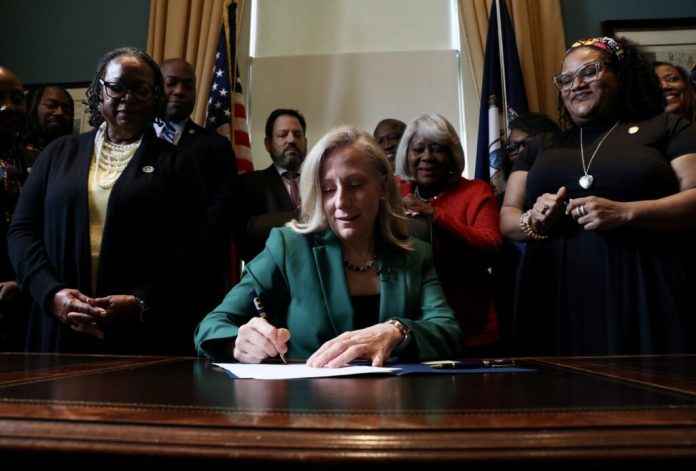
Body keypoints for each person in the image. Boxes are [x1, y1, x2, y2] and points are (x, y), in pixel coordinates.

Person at [194, 125, 463, 366]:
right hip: (310, 400)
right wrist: (238, 343)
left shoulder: (414, 253)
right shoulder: (288, 247)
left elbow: (448, 332)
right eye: (328, 189)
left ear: (382, 186)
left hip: (396, 400)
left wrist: (397, 331)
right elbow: (212, 325)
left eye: (355, 185)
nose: (341, 202)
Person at [500, 37, 696, 356]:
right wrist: (533, 220)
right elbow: (508, 215)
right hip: (554, 288)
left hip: (642, 283)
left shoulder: (667, 128)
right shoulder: (540, 146)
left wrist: (627, 212)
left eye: (589, 71)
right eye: (566, 79)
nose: (576, 84)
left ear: (620, 74)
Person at [7, 47, 207, 355]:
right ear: (99, 93)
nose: (127, 97)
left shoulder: (177, 163)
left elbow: (191, 247)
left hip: (139, 332)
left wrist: (141, 301)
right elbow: (22, 231)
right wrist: (52, 294)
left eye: (140, 89)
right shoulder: (58, 153)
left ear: (155, 97)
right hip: (56, 323)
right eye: (116, 87)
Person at [394, 113, 502, 354]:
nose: (426, 157)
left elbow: (491, 246)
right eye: (418, 149)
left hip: (468, 322)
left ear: (452, 155)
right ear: (406, 154)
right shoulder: (395, 192)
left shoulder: (475, 191)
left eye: (437, 149)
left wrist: (435, 215)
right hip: (406, 325)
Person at [157, 57, 240, 316]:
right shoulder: (134, 141)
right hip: (141, 268)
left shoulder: (216, 146)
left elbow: (224, 204)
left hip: (196, 271)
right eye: (171, 83)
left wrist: (184, 241)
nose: (179, 91)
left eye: (188, 85)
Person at [493, 111, 560, 355]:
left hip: (561, 290)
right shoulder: (499, 202)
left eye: (527, 143)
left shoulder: (565, 190)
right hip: (515, 299)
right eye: (512, 147)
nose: (519, 152)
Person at [237, 108, 307, 262]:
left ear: (305, 142)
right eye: (283, 135)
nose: (291, 140)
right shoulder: (249, 183)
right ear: (268, 144)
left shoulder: (322, 183)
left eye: (297, 134)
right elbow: (246, 239)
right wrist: (307, 218)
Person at [0, 66, 30, 350]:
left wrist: (25, 280)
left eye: (17, 99)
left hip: (26, 295)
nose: (8, 107)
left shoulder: (40, 160)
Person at [23, 84, 74, 167]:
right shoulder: (15, 153)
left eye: (67, 110)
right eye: (51, 106)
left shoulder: (72, 157)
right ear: (33, 107)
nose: (60, 112)